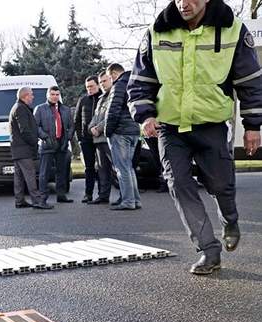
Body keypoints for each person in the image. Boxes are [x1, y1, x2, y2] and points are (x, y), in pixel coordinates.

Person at [127, 0, 262, 274]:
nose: (183, 4)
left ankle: (230, 221)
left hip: (210, 123)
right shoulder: (157, 32)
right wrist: (145, 115)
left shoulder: (232, 30)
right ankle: (208, 251)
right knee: (178, 183)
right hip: (170, 126)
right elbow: (141, 80)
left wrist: (253, 126)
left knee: (221, 185)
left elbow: (250, 82)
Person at [105, 63, 142, 211]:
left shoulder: (119, 85)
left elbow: (113, 109)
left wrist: (108, 131)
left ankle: (127, 201)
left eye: (109, 76)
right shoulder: (134, 82)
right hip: (134, 129)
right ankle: (135, 200)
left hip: (120, 131)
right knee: (129, 167)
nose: (110, 79)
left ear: (114, 73)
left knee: (122, 168)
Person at [9, 87, 51, 209]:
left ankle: (19, 200)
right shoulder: (21, 109)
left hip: (18, 149)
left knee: (19, 176)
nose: (33, 97)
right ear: (25, 96)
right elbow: (25, 130)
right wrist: (34, 141)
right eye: (31, 95)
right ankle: (37, 201)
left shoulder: (17, 107)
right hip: (23, 149)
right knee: (30, 175)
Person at [34, 86, 74, 205]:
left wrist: (67, 138)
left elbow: (71, 126)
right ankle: (42, 198)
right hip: (47, 145)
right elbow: (35, 126)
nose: (55, 97)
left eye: (57, 94)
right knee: (44, 173)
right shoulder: (40, 109)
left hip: (62, 145)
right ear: (48, 95)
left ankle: (61, 195)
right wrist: (45, 137)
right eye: (52, 94)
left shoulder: (66, 109)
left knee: (61, 172)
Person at [87, 71, 114, 204]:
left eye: (105, 81)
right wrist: (91, 128)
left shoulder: (114, 96)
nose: (103, 84)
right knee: (102, 170)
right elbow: (95, 118)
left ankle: (127, 197)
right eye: (101, 81)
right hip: (98, 140)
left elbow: (111, 116)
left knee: (119, 168)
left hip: (110, 139)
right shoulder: (101, 99)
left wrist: (98, 129)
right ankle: (103, 196)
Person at [75, 76, 102, 202]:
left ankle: (103, 193)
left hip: (101, 138)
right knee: (89, 168)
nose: (89, 89)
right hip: (86, 140)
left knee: (103, 167)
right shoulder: (83, 100)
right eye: (87, 87)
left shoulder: (103, 98)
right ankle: (88, 193)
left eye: (91, 86)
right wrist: (80, 138)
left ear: (98, 85)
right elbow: (77, 120)